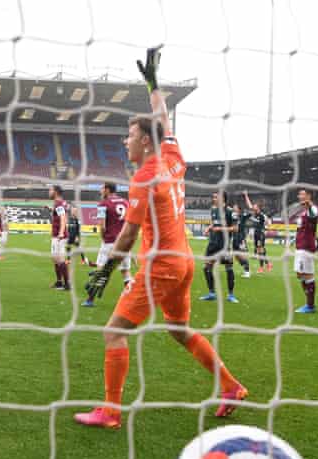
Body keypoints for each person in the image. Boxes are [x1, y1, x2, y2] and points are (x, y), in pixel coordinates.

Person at [76, 46, 247, 429]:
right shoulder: (172, 158)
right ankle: (230, 386)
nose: (126, 142)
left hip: (161, 267)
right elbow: (164, 119)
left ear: (144, 142)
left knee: (113, 332)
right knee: (179, 330)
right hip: (183, 262)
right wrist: (153, 85)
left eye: (130, 136)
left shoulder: (145, 176)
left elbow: (127, 235)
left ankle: (110, 412)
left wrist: (104, 272)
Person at [82, 183, 132, 307]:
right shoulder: (126, 202)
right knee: (126, 272)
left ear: (107, 190)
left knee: (101, 270)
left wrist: (103, 237)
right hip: (124, 242)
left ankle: (90, 300)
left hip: (110, 242)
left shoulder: (103, 204)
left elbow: (102, 226)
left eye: (102, 188)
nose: (100, 190)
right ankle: (133, 299)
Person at [199, 191, 239, 303]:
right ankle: (211, 293)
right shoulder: (213, 210)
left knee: (229, 268)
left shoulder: (231, 212)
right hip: (213, 244)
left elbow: (235, 228)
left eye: (216, 197)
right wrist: (209, 228)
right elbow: (214, 223)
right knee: (207, 267)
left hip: (224, 245)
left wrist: (220, 229)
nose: (214, 199)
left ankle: (231, 295)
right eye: (213, 197)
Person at [294, 188, 318, 313]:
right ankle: (309, 301)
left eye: (302, 194)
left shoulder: (312, 209)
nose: (299, 196)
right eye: (299, 194)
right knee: (300, 274)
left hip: (306, 247)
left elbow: (314, 216)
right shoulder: (303, 212)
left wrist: (309, 204)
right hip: (300, 247)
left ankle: (310, 305)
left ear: (308, 196)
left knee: (307, 275)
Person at [244, 192, 271, 273]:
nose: (253, 207)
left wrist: (266, 227)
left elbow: (268, 222)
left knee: (260, 250)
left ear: (258, 208)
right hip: (256, 233)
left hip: (260, 234)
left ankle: (261, 267)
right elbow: (249, 205)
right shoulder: (254, 213)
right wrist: (246, 196)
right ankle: (268, 264)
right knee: (260, 250)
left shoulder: (262, 215)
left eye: (255, 206)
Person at [49, 185, 70, 290]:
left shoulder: (58, 203)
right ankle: (59, 282)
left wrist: (61, 232)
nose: (49, 192)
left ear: (56, 192)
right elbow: (62, 214)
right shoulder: (61, 202)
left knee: (60, 259)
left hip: (59, 236)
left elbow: (63, 217)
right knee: (55, 258)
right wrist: (51, 209)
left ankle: (67, 284)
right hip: (57, 235)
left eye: (51, 190)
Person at [231, 203, 252, 278]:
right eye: (233, 207)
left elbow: (251, 212)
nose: (233, 208)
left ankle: (247, 271)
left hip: (241, 238)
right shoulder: (232, 217)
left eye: (235, 207)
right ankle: (245, 268)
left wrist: (247, 199)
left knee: (243, 255)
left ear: (239, 209)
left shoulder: (243, 216)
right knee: (236, 256)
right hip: (235, 239)